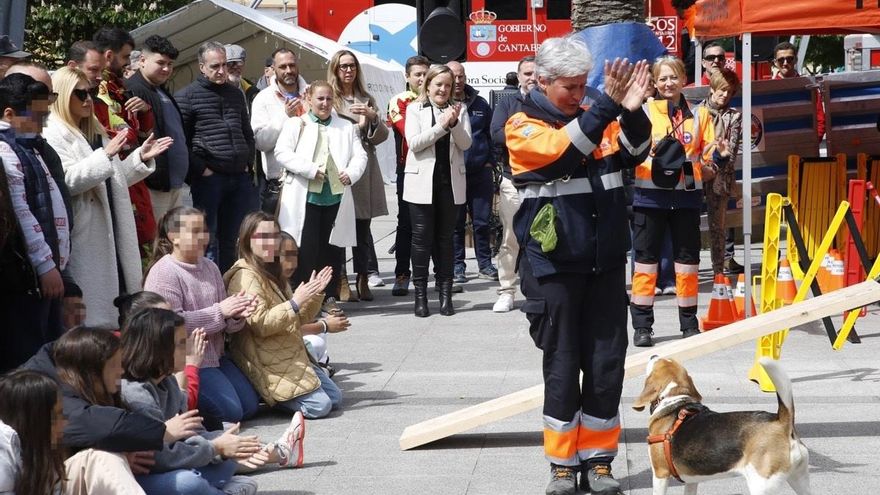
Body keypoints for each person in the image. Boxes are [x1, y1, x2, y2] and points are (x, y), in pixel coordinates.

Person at [505, 36, 651, 494]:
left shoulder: (596, 114)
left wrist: (630, 109)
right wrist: (607, 105)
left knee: (607, 365)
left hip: (605, 263)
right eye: (570, 86)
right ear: (542, 82)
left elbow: (637, 151)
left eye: (584, 85)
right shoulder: (521, 125)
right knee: (563, 366)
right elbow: (567, 151)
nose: (579, 93)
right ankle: (563, 466)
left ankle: (599, 461)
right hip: (554, 268)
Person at [44, 66, 171, 330]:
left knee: (120, 300)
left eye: (91, 92)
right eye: (81, 94)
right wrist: (106, 156)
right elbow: (65, 182)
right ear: (63, 96)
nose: (90, 99)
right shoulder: (53, 133)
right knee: (92, 315)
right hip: (86, 233)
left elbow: (111, 181)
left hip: (111, 227)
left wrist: (138, 159)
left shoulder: (93, 131)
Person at [119, 308, 284, 495]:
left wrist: (224, 443)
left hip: (171, 463)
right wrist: (216, 448)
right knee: (188, 483)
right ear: (158, 349)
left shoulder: (167, 381)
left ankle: (212, 486)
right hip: (137, 479)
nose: (188, 349)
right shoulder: (135, 393)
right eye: (181, 344)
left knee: (228, 458)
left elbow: (190, 432)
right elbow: (158, 458)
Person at [630, 56, 730, 348]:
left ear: (683, 78)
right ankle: (642, 326)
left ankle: (689, 323)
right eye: (662, 78)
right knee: (645, 264)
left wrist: (721, 155)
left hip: (686, 197)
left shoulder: (700, 116)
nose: (667, 83)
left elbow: (710, 154)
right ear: (655, 82)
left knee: (687, 263)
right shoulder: (645, 112)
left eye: (672, 77)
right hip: (649, 197)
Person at [22, 326, 202, 487]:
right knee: (188, 483)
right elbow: (92, 425)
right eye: (114, 365)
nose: (121, 371)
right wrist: (162, 432)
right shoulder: (52, 392)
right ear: (93, 369)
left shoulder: (98, 389)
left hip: (115, 477)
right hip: (55, 483)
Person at [143, 206, 259, 424]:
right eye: (194, 231)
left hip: (216, 356)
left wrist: (237, 314)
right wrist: (221, 311)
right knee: (231, 413)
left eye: (204, 231)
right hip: (184, 361)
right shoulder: (164, 272)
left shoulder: (210, 267)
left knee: (250, 406)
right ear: (173, 236)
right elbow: (169, 325)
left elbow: (225, 323)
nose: (202, 237)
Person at [225, 211, 344, 418]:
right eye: (263, 237)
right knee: (320, 406)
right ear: (247, 240)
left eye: (274, 236)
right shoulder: (244, 276)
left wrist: (315, 294)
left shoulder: (271, 271)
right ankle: (270, 398)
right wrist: (295, 302)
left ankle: (288, 396)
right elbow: (261, 325)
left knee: (335, 399)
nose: (270, 243)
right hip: (267, 357)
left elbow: (296, 319)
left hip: (290, 352)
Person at [275, 80, 367, 316]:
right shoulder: (297, 124)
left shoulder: (345, 127)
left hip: (335, 199)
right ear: (309, 99)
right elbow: (281, 152)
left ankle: (328, 298)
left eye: (328, 99)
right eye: (320, 99)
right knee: (305, 250)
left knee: (332, 251)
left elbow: (360, 156)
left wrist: (351, 173)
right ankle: (303, 299)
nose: (325, 104)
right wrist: (309, 169)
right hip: (306, 198)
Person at [0, 74, 70, 368]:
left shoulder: (28, 146)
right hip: (27, 276)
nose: (44, 123)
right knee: (29, 361)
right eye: (38, 116)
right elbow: (21, 212)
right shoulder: (6, 150)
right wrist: (45, 264)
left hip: (46, 271)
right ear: (9, 114)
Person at [176, 41, 258, 272]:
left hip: (239, 177)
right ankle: (212, 295)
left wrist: (247, 164)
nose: (221, 71)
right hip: (210, 179)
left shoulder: (235, 94)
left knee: (236, 238)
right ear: (201, 67)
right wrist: (202, 170)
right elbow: (181, 141)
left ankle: (231, 288)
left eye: (225, 64)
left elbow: (246, 132)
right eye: (215, 66)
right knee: (208, 240)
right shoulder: (187, 96)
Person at [0, 369, 149, 495]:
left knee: (100, 457)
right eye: (57, 416)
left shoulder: (41, 450)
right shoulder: (4, 444)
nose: (64, 423)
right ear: (36, 421)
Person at [404, 64, 472, 317]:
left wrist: (453, 124)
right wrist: (441, 127)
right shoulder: (415, 109)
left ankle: (446, 295)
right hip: (421, 183)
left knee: (446, 240)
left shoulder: (460, 109)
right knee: (421, 240)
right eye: (438, 84)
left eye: (447, 84)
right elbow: (415, 144)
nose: (443, 89)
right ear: (428, 86)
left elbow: (466, 143)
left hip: (449, 184)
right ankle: (420, 296)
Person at [328, 50, 390, 301]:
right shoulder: (330, 98)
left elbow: (381, 135)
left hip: (363, 166)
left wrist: (373, 119)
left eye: (352, 66)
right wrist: (355, 128)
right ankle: (342, 280)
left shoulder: (366, 98)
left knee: (362, 227)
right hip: (339, 165)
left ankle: (364, 276)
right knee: (339, 226)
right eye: (343, 66)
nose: (348, 70)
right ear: (335, 69)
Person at [92, 27, 157, 258]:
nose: (129, 63)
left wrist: (145, 111)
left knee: (145, 238)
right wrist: (132, 132)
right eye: (126, 57)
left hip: (132, 175)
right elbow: (119, 135)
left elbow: (143, 132)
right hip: (115, 176)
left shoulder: (120, 87)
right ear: (109, 56)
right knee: (130, 247)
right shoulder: (99, 90)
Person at [126, 35, 190, 222]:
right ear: (142, 61)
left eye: (170, 64)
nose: (166, 69)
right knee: (155, 244)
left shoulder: (160, 89)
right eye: (161, 63)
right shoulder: (134, 89)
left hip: (173, 184)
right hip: (152, 184)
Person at [489, 55, 535, 313]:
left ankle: (539, 290)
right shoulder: (508, 104)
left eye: (535, 73)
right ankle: (507, 291)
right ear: (518, 76)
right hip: (513, 180)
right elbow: (497, 134)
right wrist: (530, 135)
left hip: (545, 181)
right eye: (526, 73)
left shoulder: (550, 101)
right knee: (511, 238)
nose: (531, 78)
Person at [448, 60, 497, 285]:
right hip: (454, 174)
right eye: (453, 76)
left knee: (482, 221)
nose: (458, 81)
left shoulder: (481, 104)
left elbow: (490, 135)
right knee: (456, 223)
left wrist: (490, 163)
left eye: (461, 76)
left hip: (480, 173)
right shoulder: (441, 104)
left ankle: (485, 264)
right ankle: (458, 265)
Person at [387, 55, 430, 297]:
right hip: (408, 169)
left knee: (434, 226)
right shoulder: (399, 101)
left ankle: (439, 274)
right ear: (407, 77)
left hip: (435, 169)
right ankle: (402, 274)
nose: (422, 79)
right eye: (418, 75)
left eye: (426, 74)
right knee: (406, 224)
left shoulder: (438, 97)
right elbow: (408, 134)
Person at [250, 48, 308, 215]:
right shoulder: (263, 98)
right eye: (283, 67)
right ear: (273, 69)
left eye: (292, 65)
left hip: (312, 179)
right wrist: (285, 116)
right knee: (279, 238)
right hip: (280, 182)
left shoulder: (312, 93)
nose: (289, 70)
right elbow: (260, 142)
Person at [699, 68, 743, 276]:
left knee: (718, 229)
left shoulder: (734, 117)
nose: (725, 95)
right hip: (696, 173)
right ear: (712, 89)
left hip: (720, 177)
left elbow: (731, 152)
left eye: (730, 91)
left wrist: (715, 166)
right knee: (689, 224)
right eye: (722, 90)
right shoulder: (697, 111)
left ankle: (718, 272)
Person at [772, 41, 825, 140]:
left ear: (795, 60)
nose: (785, 63)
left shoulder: (809, 87)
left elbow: (820, 119)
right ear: (775, 62)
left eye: (789, 59)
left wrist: (813, 142)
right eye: (781, 60)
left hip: (805, 146)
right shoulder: (769, 90)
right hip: (777, 147)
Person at [224, 44, 259, 112]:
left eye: (239, 63)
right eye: (230, 63)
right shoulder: (214, 92)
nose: (235, 67)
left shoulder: (252, 91)